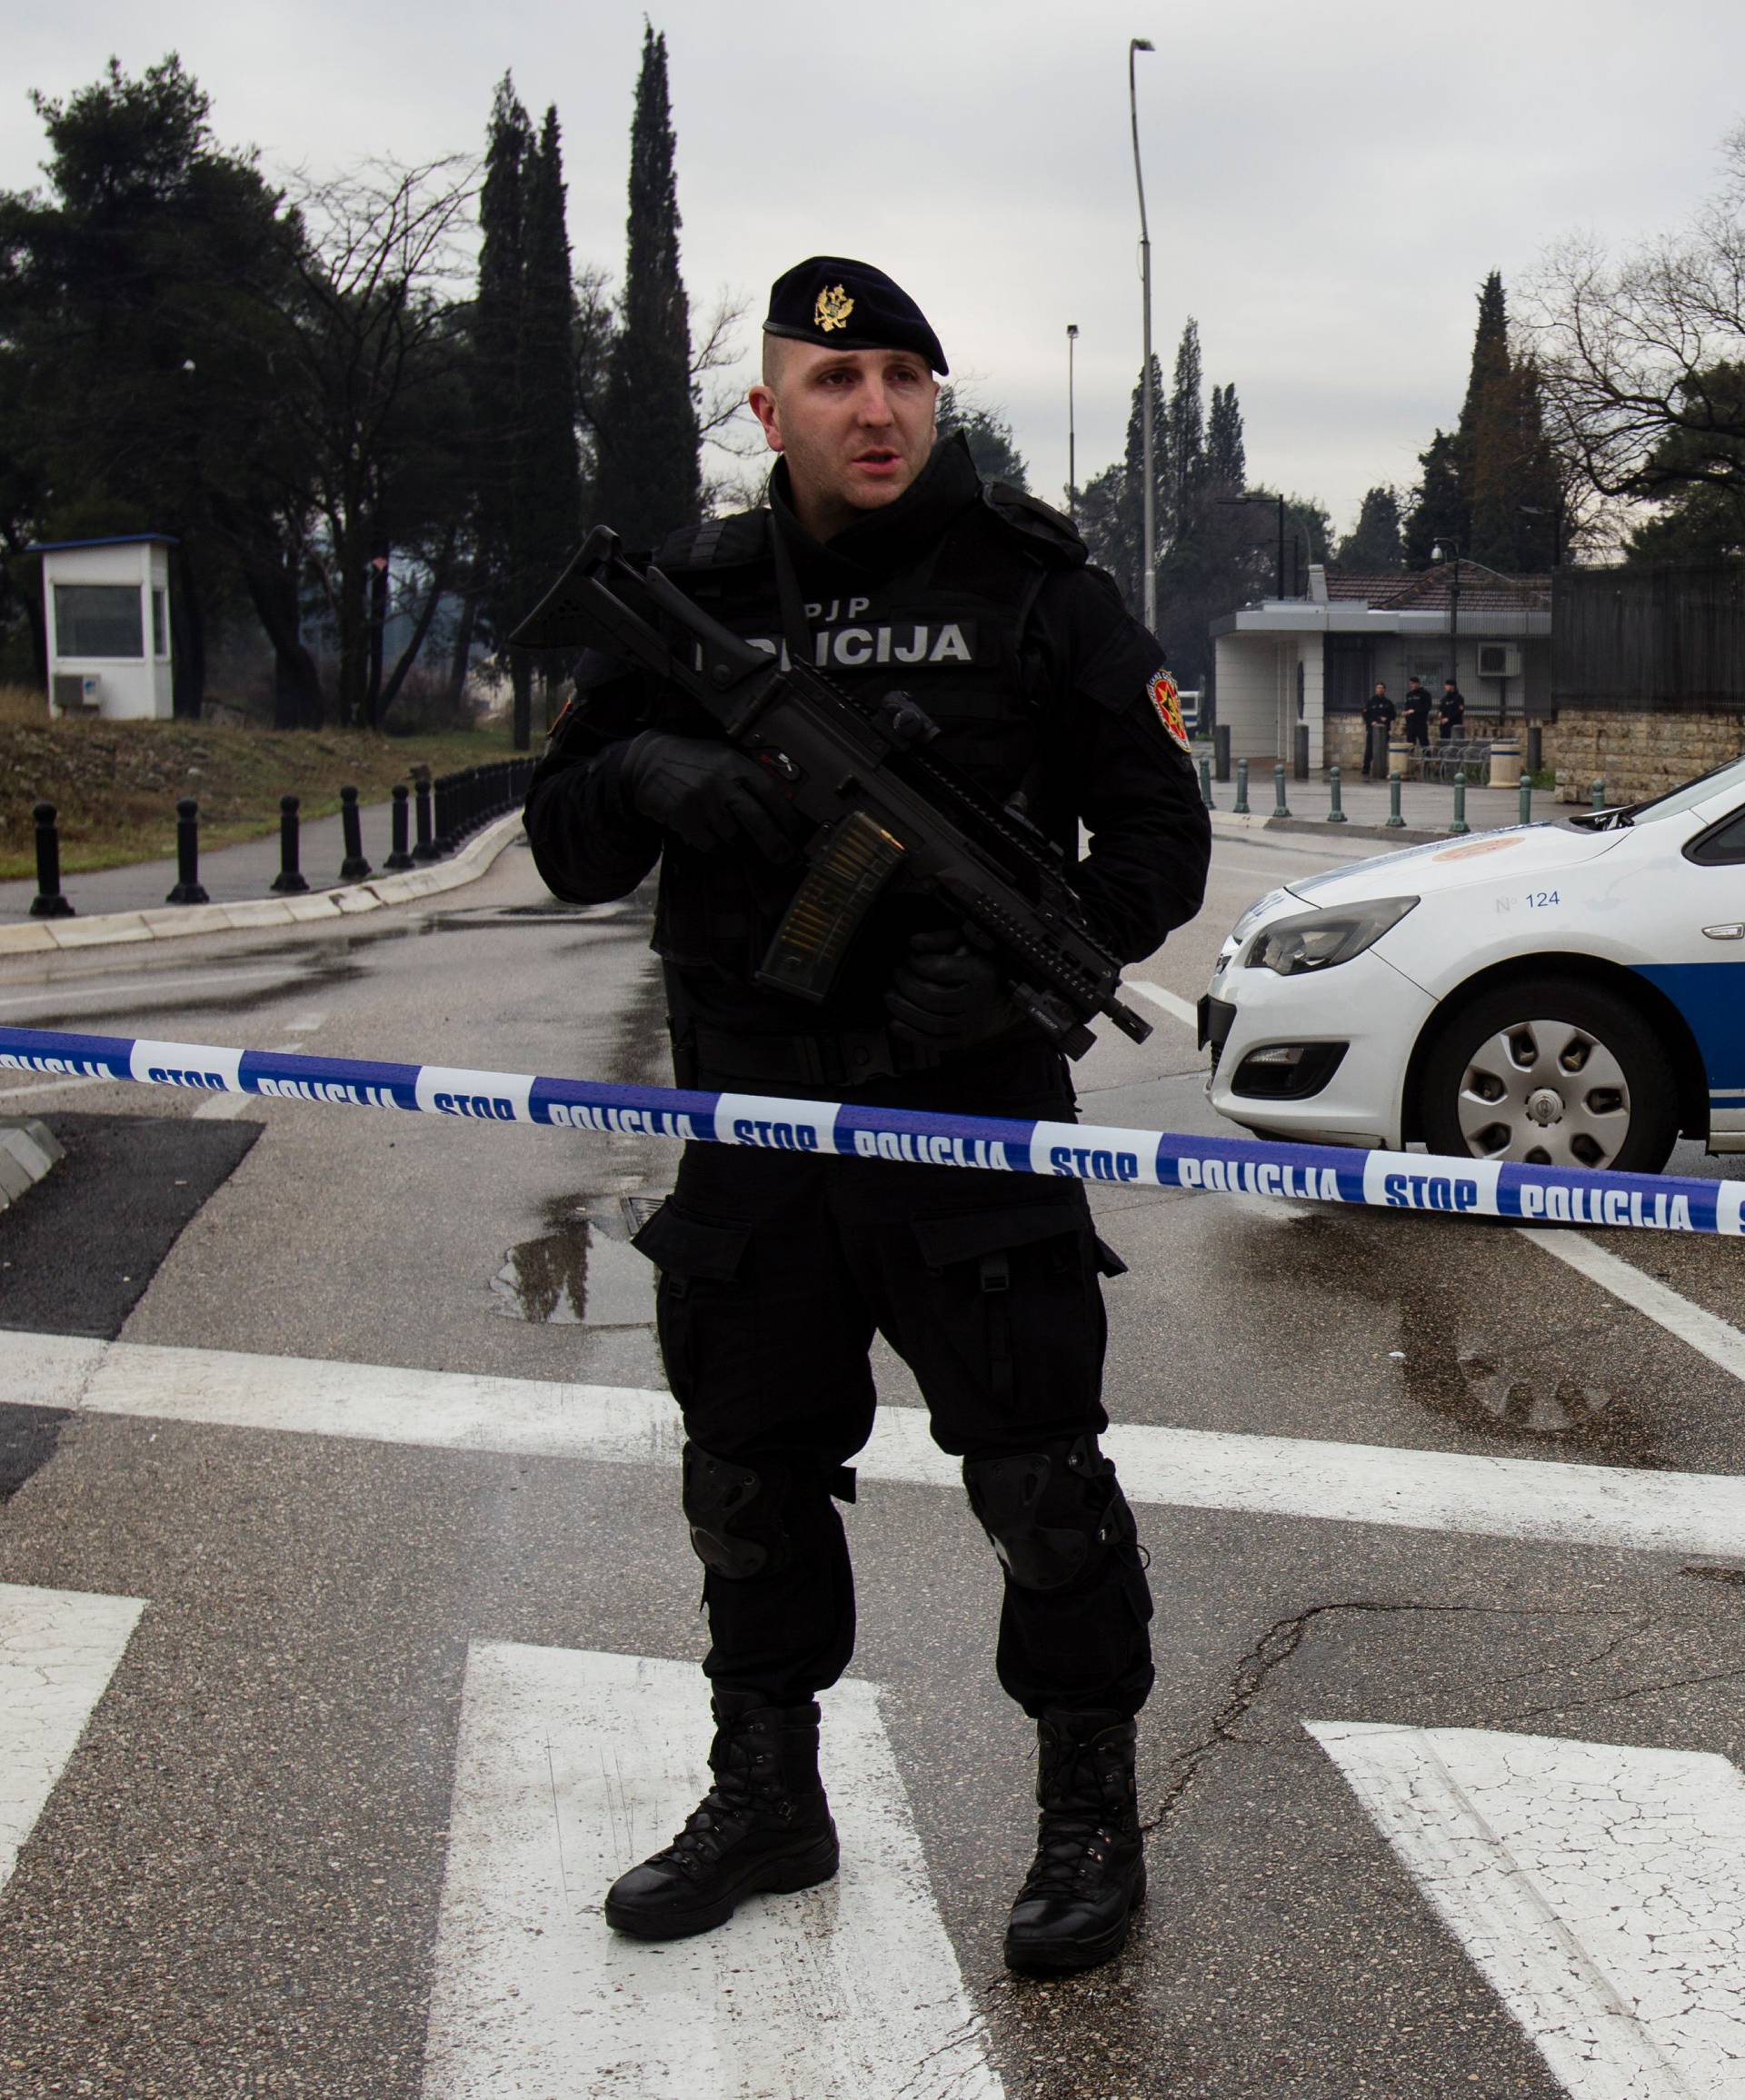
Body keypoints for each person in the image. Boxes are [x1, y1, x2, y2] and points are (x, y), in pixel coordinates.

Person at [522, 254, 1211, 1976]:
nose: (878, 406)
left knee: (1042, 1486)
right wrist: (639, 770)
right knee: (747, 1480)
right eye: (836, 381)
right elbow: (566, 836)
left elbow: (1156, 843)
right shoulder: (691, 596)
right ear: (771, 410)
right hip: (757, 1128)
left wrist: (1014, 977)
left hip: (968, 1135)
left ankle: (1086, 1815)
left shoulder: (1038, 591)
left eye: (905, 373)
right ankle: (767, 1794)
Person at [1361, 682, 1395, 776]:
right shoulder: (1371, 701)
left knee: (1382, 750)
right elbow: (1365, 713)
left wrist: (1386, 718)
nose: (1380, 689)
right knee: (1369, 750)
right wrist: (1371, 722)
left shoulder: (1388, 703)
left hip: (1384, 731)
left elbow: (1393, 715)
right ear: (1376, 689)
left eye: (1381, 688)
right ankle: (1366, 768)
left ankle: (1381, 769)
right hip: (1372, 730)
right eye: (1378, 688)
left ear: (1385, 690)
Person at [1401, 675, 1432, 749]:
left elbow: (1427, 708)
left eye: (1412, 683)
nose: (1411, 685)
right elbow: (1407, 706)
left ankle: (1427, 759)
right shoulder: (1409, 695)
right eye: (1410, 684)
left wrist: (1414, 711)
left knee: (1424, 742)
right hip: (1410, 723)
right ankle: (1411, 759)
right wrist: (1405, 712)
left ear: (1417, 684)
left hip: (1420, 723)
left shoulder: (1425, 694)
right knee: (1410, 743)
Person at [1439, 677, 1467, 741]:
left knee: (1454, 744)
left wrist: (1448, 718)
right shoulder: (1444, 699)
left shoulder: (1459, 698)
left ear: (1452, 686)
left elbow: (1460, 711)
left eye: (1447, 685)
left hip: (1455, 726)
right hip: (1444, 726)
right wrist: (1439, 714)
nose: (1445, 687)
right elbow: (1440, 708)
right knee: (1444, 744)